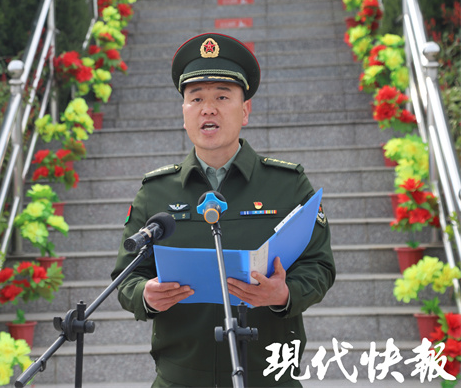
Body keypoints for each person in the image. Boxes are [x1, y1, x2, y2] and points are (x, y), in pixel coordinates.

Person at [111, 32, 336, 387]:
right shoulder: (155, 192)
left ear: (245, 111)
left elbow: (319, 266)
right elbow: (127, 278)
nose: (208, 109)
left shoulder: (288, 184)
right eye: (196, 98)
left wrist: (284, 294)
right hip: (180, 378)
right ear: (184, 114)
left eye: (221, 96)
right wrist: (146, 295)